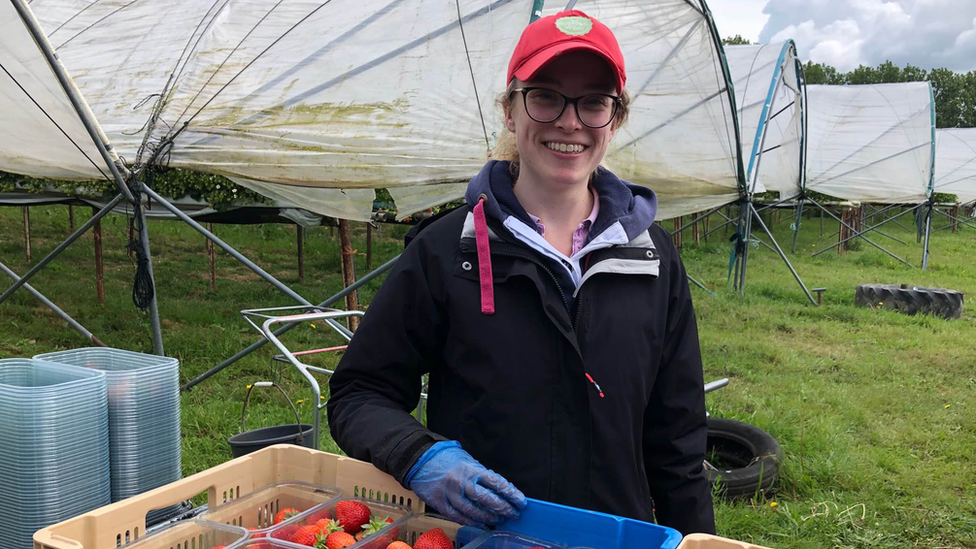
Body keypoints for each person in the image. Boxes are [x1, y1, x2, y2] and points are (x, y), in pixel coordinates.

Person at [327, 9, 715, 536]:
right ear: (511, 111)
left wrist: (697, 540)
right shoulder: (449, 251)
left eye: (594, 101)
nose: (570, 121)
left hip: (614, 537)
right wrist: (421, 456)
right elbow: (359, 392)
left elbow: (677, 439)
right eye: (545, 95)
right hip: (483, 537)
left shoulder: (651, 258)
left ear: (615, 118)